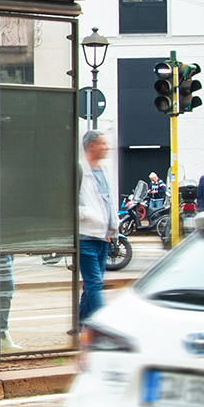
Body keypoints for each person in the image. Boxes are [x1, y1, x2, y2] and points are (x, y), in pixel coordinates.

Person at [77, 130, 116, 322]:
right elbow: (67, 203)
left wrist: (112, 226)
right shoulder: (79, 170)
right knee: (94, 284)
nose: (107, 147)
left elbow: (107, 200)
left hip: (102, 236)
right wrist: (89, 215)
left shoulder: (103, 170)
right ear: (92, 146)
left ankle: (81, 323)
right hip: (86, 237)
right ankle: (106, 324)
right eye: (103, 143)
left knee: (93, 284)